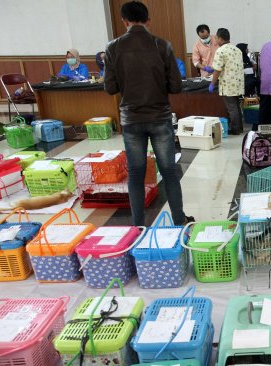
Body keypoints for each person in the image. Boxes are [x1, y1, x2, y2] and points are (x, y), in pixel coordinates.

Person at [104, 1, 192, 226]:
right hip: (160, 117)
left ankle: (138, 226)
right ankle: (179, 220)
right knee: (169, 171)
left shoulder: (113, 47)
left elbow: (110, 88)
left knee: (135, 174)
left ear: (124, 21)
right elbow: (176, 86)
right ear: (148, 21)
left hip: (131, 119)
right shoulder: (162, 45)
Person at [209, 28, 244, 135]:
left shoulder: (221, 50)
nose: (215, 41)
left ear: (220, 38)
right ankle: (240, 128)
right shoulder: (237, 50)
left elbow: (218, 69)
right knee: (236, 106)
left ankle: (235, 129)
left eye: (216, 38)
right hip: (238, 83)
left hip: (228, 84)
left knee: (232, 108)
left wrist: (212, 83)